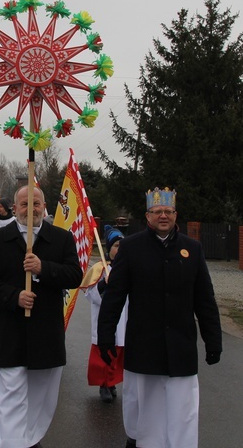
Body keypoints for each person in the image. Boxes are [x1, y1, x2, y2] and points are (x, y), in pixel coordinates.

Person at [97, 187, 222, 448]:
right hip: (145, 347)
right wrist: (105, 335)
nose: (163, 216)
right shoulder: (131, 248)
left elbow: (205, 301)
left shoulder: (193, 249)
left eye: (168, 211)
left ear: (176, 215)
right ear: (147, 216)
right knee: (147, 414)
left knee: (183, 412)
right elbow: (114, 296)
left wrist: (213, 340)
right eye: (157, 212)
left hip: (181, 348)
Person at [0, 185, 82, 448]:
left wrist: (43, 268)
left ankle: (29, 439)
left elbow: (74, 276)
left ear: (44, 206)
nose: (31, 208)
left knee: (41, 398)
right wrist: (14, 297)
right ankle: (11, 443)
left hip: (46, 332)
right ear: (15, 208)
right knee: (10, 396)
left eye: (36, 203)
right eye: (25, 204)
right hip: (10, 332)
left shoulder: (61, 238)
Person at [83, 224, 126, 403]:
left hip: (123, 317)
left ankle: (112, 382)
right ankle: (104, 385)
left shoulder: (127, 266)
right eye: (116, 246)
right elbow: (90, 295)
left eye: (122, 246)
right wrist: (104, 285)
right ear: (109, 248)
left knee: (118, 351)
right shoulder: (100, 269)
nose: (120, 249)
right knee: (104, 352)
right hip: (104, 318)